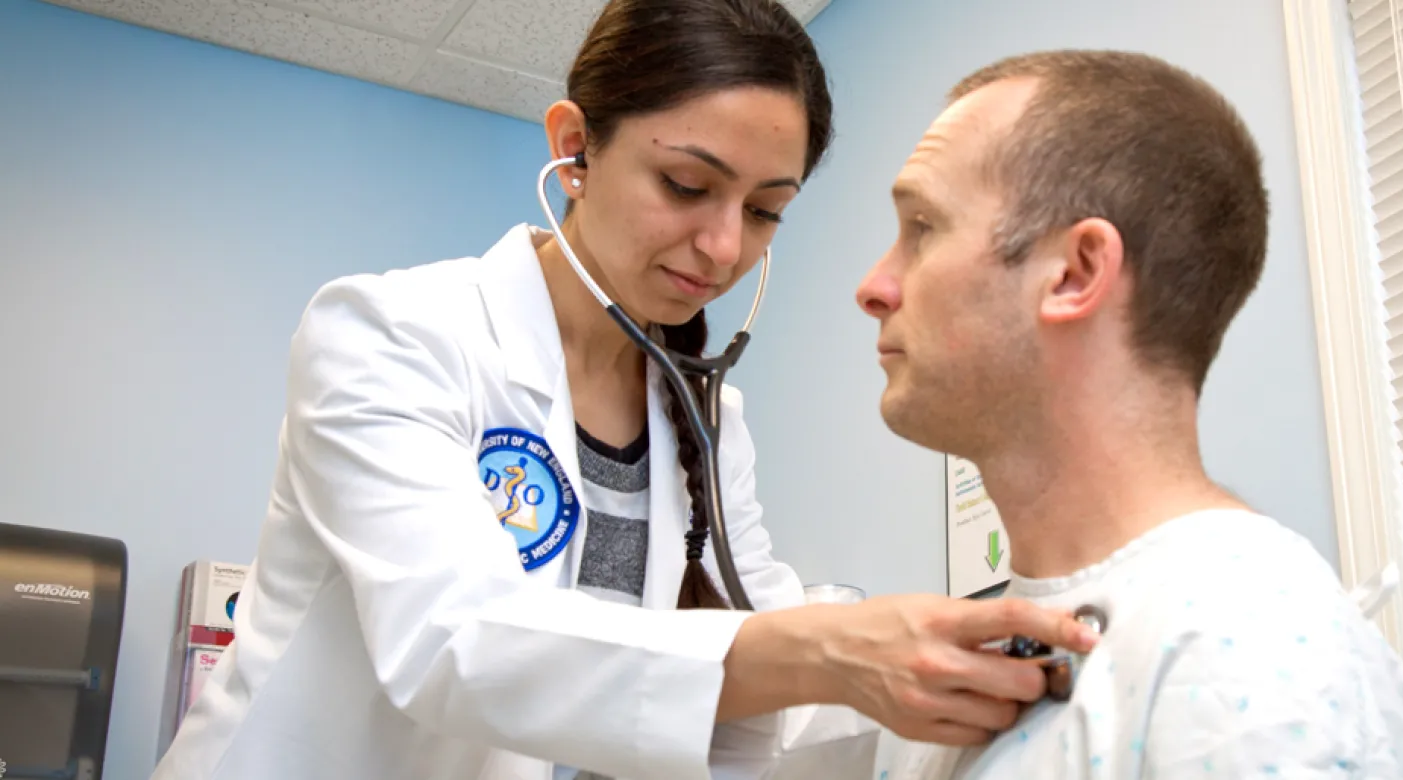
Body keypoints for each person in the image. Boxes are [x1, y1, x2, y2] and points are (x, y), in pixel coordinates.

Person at [149, 4, 1097, 779]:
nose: (725, 247)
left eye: (766, 210)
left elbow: (772, 686)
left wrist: (960, 692)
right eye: (687, 184)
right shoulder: (389, 335)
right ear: (576, 148)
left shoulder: (706, 418)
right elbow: (454, 640)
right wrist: (831, 649)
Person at [857, 50, 1403, 778]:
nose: (874, 287)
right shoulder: (944, 681)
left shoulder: (1251, 654)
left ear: (1075, 273)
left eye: (922, 226)